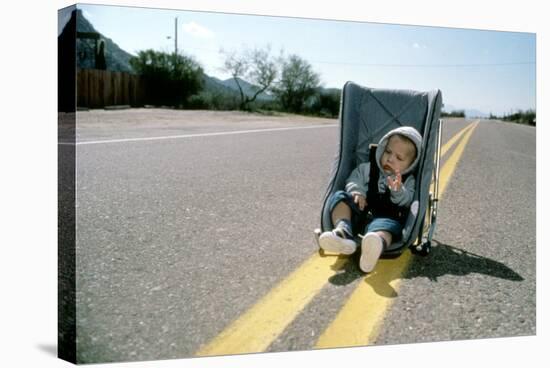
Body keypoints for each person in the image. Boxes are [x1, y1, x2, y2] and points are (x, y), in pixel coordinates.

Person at [319, 126, 423, 273]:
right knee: (340, 197)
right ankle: (343, 231)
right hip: (361, 210)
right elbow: (354, 179)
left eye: (399, 158)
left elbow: (407, 200)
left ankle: (374, 246)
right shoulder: (367, 168)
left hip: (386, 218)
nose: (390, 159)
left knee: (387, 228)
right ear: (382, 149)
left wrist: (397, 190)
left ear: (410, 165)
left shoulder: (408, 180)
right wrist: (357, 192)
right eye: (388, 152)